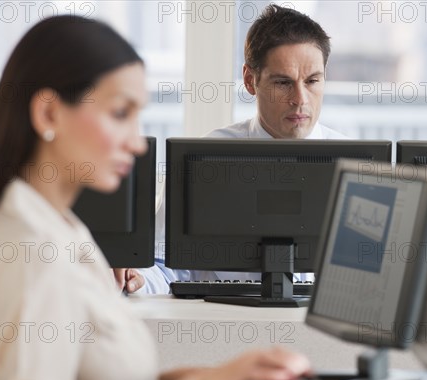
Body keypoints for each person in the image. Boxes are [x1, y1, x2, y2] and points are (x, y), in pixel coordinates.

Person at [0, 16, 311, 380]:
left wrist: (225, 379)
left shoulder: (57, 227)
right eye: (120, 113)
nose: (138, 143)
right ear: (49, 112)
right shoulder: (31, 255)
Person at [142, 5, 347, 293]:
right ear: (251, 80)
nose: (300, 99)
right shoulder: (203, 160)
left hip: (317, 330)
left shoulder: (353, 166)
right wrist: (136, 280)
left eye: (312, 81)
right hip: (220, 328)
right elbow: (162, 267)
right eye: (282, 83)